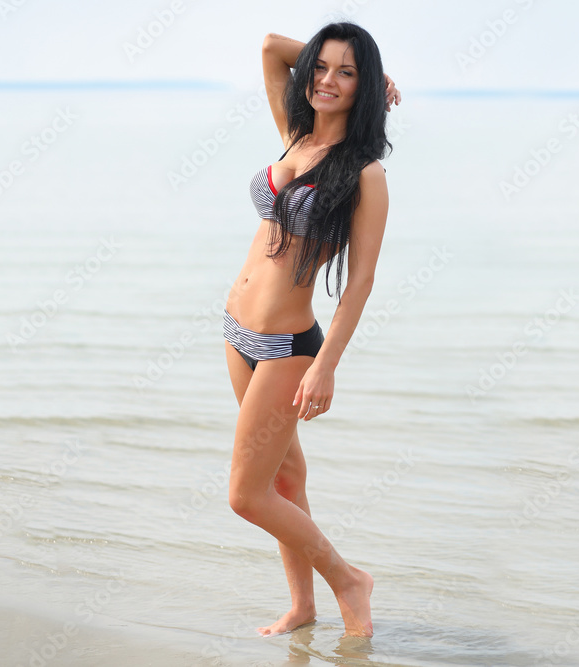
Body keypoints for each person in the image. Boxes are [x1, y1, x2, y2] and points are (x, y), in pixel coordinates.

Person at [222, 21, 401, 638]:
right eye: (321, 67)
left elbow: (361, 282)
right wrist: (364, 71)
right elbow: (272, 46)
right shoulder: (294, 135)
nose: (326, 80)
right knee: (284, 479)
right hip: (237, 335)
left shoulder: (365, 175)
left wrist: (326, 366)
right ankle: (302, 607)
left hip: (288, 349)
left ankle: (348, 578)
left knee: (246, 496)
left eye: (346, 73)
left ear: (364, 90)